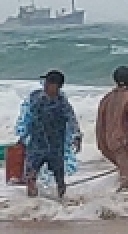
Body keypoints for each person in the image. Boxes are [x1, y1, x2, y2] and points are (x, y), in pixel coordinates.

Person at [16, 70, 81, 199]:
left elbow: (72, 120)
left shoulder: (62, 103)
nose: (45, 85)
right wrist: (22, 137)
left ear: (58, 86)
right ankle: (33, 204)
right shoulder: (35, 97)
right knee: (30, 176)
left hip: (55, 147)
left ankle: (61, 204)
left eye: (49, 83)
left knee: (59, 179)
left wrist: (77, 136)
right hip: (36, 145)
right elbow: (27, 118)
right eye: (46, 82)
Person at [96, 65, 128, 190]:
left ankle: (121, 199)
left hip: (110, 143)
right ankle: (125, 200)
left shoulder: (106, 98)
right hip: (127, 144)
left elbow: (100, 125)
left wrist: (103, 144)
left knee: (125, 175)